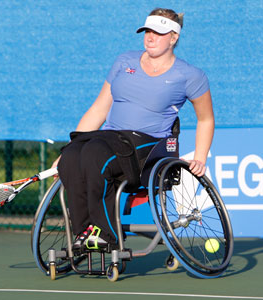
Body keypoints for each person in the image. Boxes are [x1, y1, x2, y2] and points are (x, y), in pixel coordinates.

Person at [54, 8, 214, 251]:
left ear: (174, 37)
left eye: (158, 33)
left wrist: (200, 156)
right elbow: (99, 108)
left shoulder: (190, 76)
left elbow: (206, 119)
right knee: (72, 157)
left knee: (94, 154)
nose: (150, 37)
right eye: (147, 31)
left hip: (147, 148)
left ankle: (106, 235)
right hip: (108, 139)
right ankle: (84, 233)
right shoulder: (124, 61)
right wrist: (71, 148)